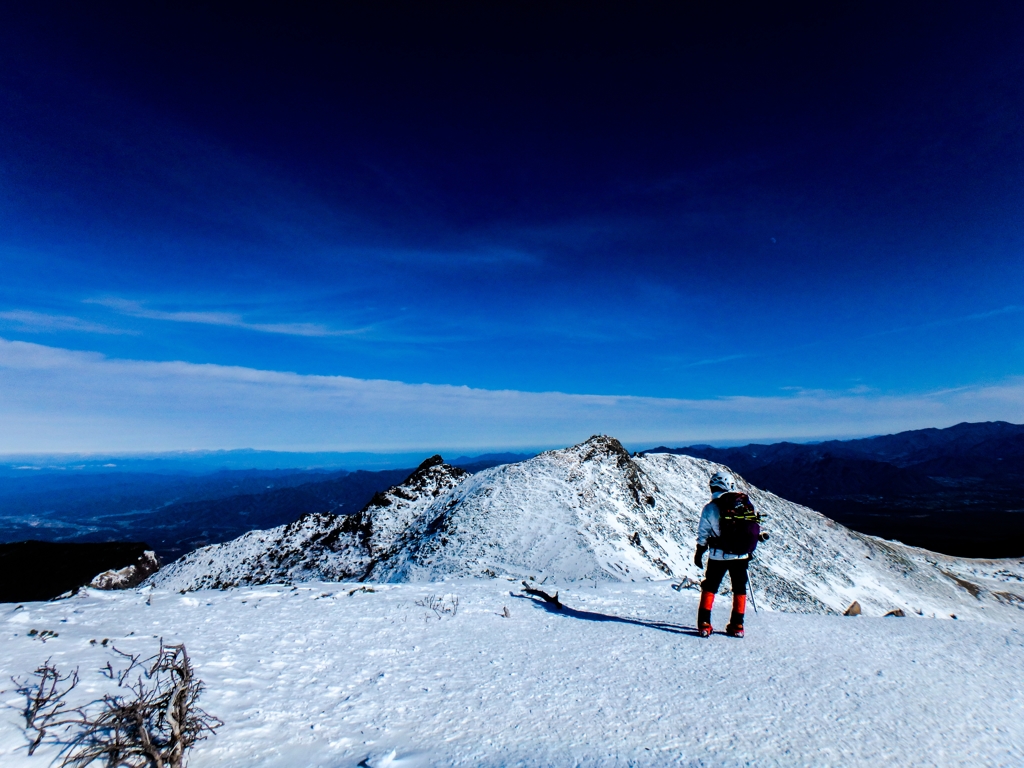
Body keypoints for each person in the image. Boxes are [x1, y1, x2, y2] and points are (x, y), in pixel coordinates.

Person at [694, 470, 766, 638]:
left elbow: (703, 533)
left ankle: (704, 624)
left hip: (718, 555)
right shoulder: (744, 503)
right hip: (741, 555)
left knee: (710, 586)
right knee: (739, 589)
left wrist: (699, 552)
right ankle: (737, 625)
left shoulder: (710, 508)